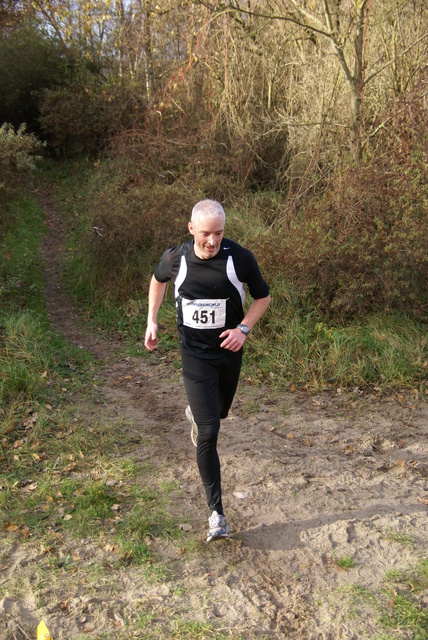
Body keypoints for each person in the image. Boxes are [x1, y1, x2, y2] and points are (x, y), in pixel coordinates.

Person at [144, 199, 271, 542]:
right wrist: (152, 320)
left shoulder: (238, 258)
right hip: (195, 355)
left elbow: (263, 297)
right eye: (205, 234)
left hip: (228, 354)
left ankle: (198, 415)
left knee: (219, 413)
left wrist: (242, 329)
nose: (212, 241)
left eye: (218, 233)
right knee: (210, 429)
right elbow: (158, 281)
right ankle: (216, 513)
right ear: (191, 230)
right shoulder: (176, 259)